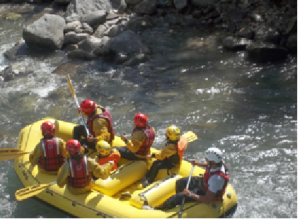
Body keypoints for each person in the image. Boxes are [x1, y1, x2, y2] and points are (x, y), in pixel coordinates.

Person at [148, 147, 229, 210]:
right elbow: (209, 166)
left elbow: (207, 199)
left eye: (207, 160)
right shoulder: (218, 163)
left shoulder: (216, 179)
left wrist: (190, 194)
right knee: (180, 182)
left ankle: (161, 208)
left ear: (212, 162)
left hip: (205, 192)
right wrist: (199, 164)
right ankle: (181, 203)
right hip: (204, 183)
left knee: (176, 198)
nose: (205, 160)